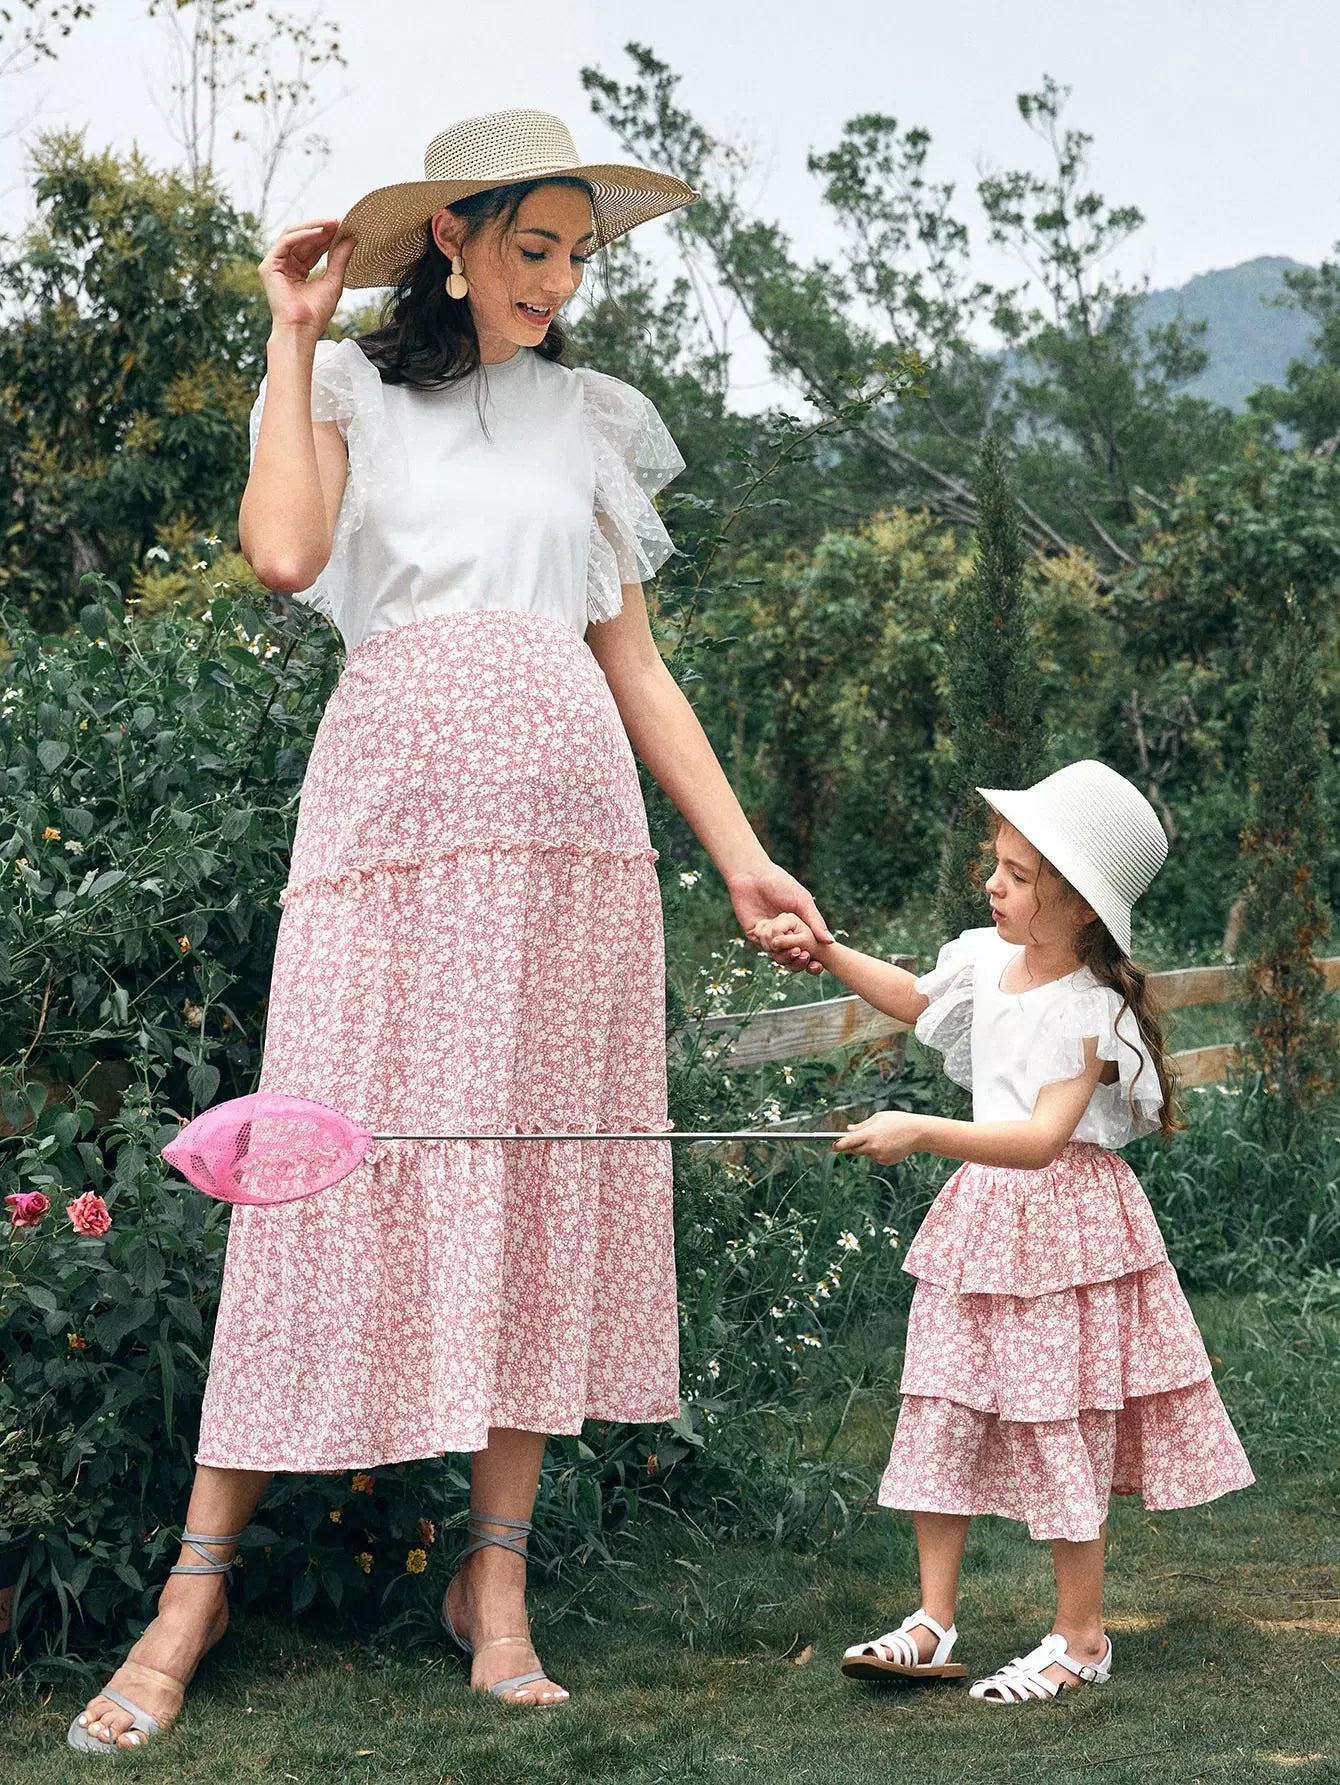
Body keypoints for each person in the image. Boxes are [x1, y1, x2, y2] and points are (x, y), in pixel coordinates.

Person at [71, 108, 831, 1751]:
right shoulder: (351, 389)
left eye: (579, 254)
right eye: (533, 247)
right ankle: (191, 1595)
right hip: (391, 837)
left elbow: (634, 663)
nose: (559, 281)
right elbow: (284, 558)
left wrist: (743, 857)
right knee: (316, 1176)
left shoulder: (587, 421)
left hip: (571, 853)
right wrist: (290, 333)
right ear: (454, 240)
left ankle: (494, 1586)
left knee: (532, 1180)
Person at [753, 759, 1254, 1705]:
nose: (993, 883)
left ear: (1079, 907)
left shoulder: (1092, 1010)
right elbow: (914, 996)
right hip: (982, 1217)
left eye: (1019, 875)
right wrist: (827, 948)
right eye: (999, 864)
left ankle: (1081, 1636)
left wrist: (920, 1130)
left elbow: (1040, 1139)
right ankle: (932, 1621)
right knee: (944, 1402)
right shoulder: (984, 961)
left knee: (1055, 1417)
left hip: (1065, 1228)